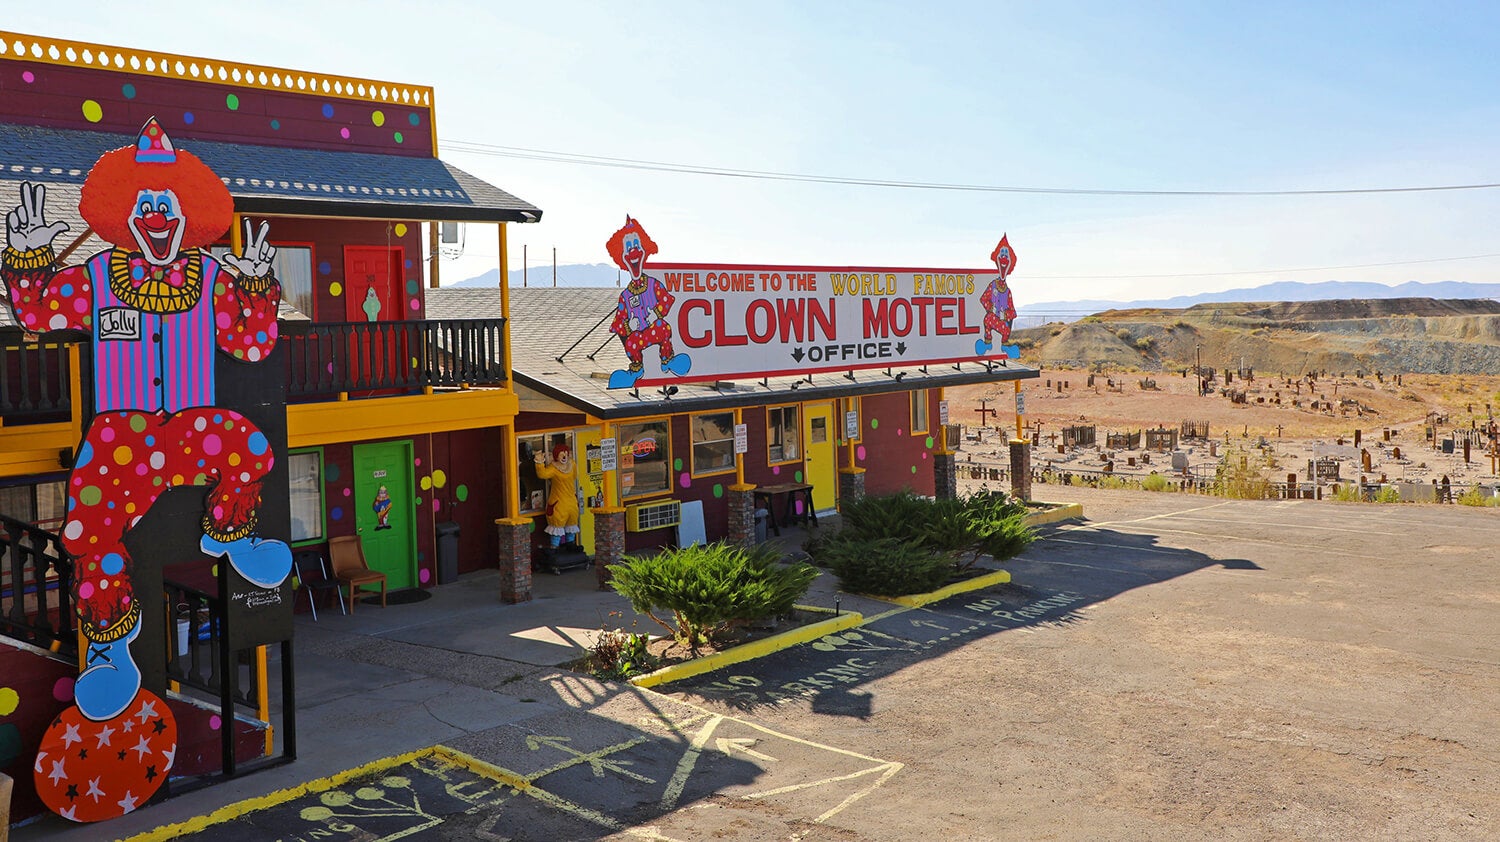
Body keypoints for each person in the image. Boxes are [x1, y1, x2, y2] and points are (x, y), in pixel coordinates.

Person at [534, 443, 581, 554]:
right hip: (558, 502)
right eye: (561, 454)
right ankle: (554, 547)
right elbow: (542, 474)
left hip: (571, 501)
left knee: (572, 522)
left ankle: (570, 544)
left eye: (566, 453)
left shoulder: (572, 464)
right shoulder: (553, 468)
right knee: (557, 523)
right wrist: (539, 462)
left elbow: (575, 476)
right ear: (556, 456)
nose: (564, 456)